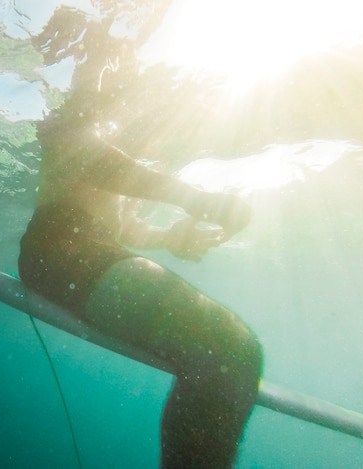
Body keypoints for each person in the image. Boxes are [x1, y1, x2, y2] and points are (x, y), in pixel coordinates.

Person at [19, 5, 263, 467]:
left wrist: (169, 237)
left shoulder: (126, 133)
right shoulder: (79, 111)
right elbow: (92, 161)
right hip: (60, 253)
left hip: (90, 253)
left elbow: (124, 226)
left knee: (230, 349)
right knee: (229, 348)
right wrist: (196, 199)